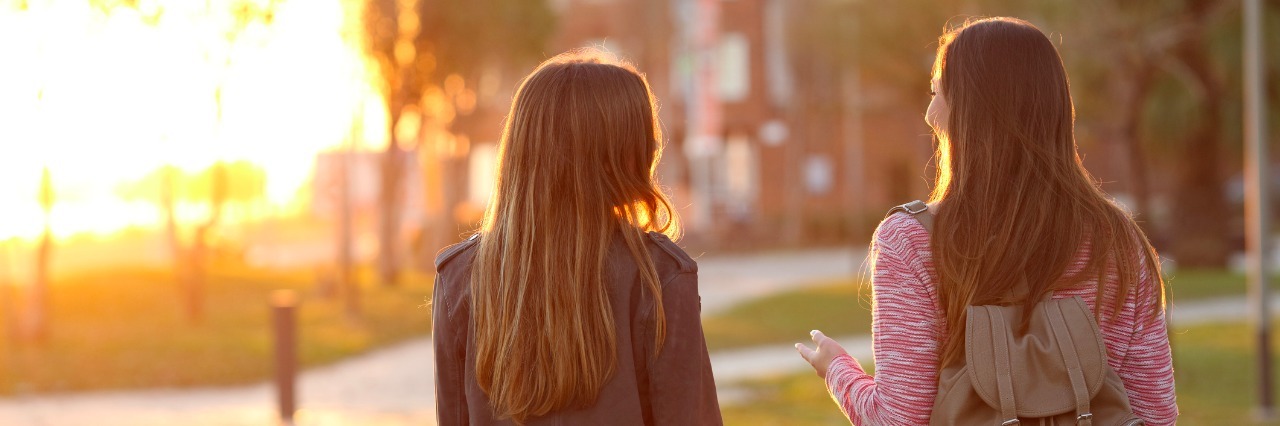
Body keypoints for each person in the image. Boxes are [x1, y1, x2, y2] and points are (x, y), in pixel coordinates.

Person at [795, 17, 1177, 425]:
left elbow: (899, 420)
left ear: (968, 112)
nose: (928, 114)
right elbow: (1156, 415)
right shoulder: (1118, 242)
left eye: (936, 93)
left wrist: (837, 370)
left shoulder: (911, 242)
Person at [431, 49, 722, 425]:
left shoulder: (459, 278)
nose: (653, 148)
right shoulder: (660, 276)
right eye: (643, 136)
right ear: (617, 153)